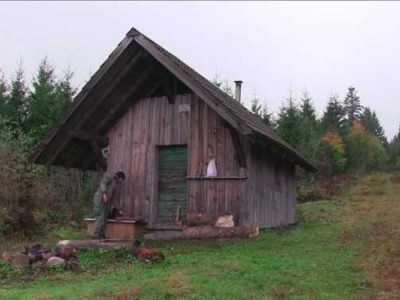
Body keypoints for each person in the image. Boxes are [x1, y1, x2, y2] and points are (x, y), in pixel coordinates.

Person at [92, 171, 125, 239]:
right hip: (100, 197)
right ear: (117, 176)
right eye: (120, 180)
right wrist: (104, 193)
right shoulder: (109, 176)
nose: (120, 182)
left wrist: (119, 209)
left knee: (105, 217)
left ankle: (101, 234)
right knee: (100, 216)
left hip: (107, 201)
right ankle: (96, 235)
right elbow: (102, 183)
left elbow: (115, 200)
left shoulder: (116, 185)